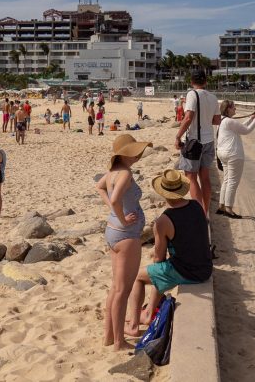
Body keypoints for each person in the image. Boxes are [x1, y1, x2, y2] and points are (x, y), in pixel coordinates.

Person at [126, 169, 212, 336]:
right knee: (158, 271)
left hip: (187, 272)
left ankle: (134, 325)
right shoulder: (196, 205)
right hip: (204, 267)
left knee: (138, 277)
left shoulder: (163, 221)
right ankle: (149, 313)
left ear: (163, 193)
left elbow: (159, 257)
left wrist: (156, 266)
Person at [96, 134, 153, 351]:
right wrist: (122, 217)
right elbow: (115, 199)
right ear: (128, 153)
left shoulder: (112, 172)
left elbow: (100, 188)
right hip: (126, 235)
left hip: (113, 232)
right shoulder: (125, 174)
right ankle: (119, 342)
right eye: (137, 151)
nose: (139, 154)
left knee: (115, 288)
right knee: (123, 290)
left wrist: (115, 213)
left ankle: (109, 336)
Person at [175, 70, 221, 216]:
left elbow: (188, 117)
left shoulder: (192, 94)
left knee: (191, 177)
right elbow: (217, 120)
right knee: (205, 177)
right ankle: (205, 211)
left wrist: (178, 136)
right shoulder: (213, 97)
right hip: (209, 141)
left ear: (191, 82)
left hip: (195, 142)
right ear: (205, 82)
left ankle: (199, 214)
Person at [216, 101, 255, 218]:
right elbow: (246, 130)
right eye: (233, 107)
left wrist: (251, 118)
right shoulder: (229, 121)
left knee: (226, 180)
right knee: (232, 182)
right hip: (233, 155)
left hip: (223, 153)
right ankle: (229, 209)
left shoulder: (222, 120)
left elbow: (240, 127)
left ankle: (222, 206)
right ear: (228, 110)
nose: (235, 109)